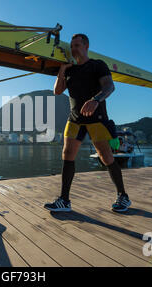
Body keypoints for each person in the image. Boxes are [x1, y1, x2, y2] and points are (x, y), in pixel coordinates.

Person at [44, 34, 131, 213]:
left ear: (86, 46)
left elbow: (109, 87)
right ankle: (64, 200)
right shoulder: (69, 70)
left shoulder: (97, 65)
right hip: (75, 118)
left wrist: (96, 99)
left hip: (96, 118)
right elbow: (57, 91)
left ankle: (123, 196)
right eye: (72, 46)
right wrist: (62, 70)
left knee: (106, 157)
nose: (74, 49)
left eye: (77, 45)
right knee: (67, 154)